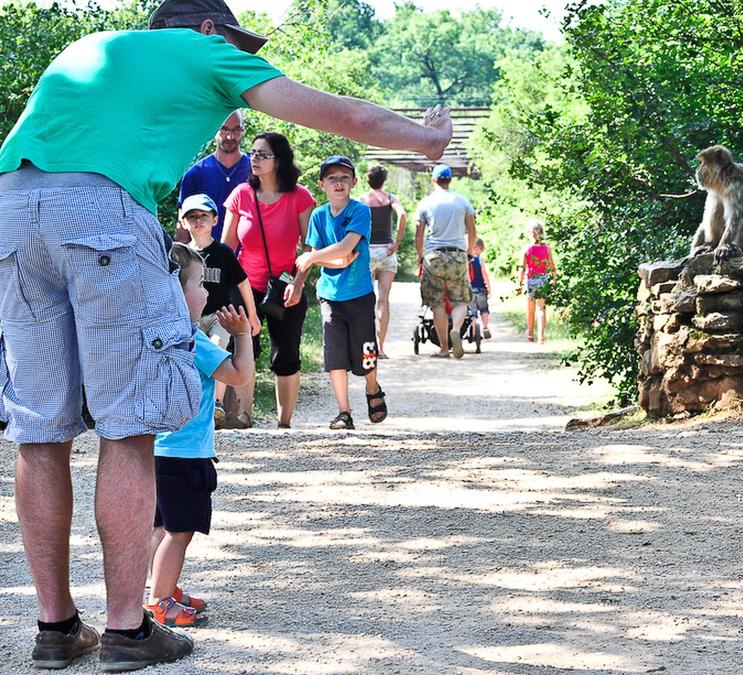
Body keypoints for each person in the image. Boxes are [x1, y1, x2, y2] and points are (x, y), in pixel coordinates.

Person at [0, 0, 451, 667]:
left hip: (10, 208)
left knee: (40, 430)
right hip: (100, 211)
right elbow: (344, 115)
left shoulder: (91, 47)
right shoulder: (204, 49)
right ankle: (126, 630)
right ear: (209, 28)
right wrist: (425, 139)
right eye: (239, 42)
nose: (241, 57)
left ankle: (56, 627)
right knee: (129, 425)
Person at [146, 244, 253, 628]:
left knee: (161, 527)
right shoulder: (193, 339)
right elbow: (240, 375)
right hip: (187, 453)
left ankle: (162, 588)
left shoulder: (155, 334)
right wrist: (242, 334)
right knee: (180, 533)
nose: (207, 293)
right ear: (178, 292)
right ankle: (160, 601)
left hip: (156, 450)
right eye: (200, 285)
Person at [221, 132, 314, 429]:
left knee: (286, 352)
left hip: (285, 286)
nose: (254, 159)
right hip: (244, 285)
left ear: (279, 160)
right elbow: (226, 248)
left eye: (263, 154)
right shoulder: (241, 194)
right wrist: (222, 288)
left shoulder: (300, 196)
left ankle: (284, 424)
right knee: (243, 347)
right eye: (253, 153)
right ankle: (243, 415)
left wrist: (298, 282)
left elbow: (309, 247)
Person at [298, 155, 386, 431]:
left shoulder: (360, 211)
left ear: (354, 182)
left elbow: (346, 247)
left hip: (359, 293)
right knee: (334, 354)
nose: (339, 183)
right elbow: (327, 255)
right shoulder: (318, 215)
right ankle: (344, 413)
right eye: (332, 178)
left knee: (366, 352)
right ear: (321, 184)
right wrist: (331, 259)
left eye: (344, 178)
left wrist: (314, 258)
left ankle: (372, 388)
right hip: (330, 296)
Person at [179, 193, 260, 426]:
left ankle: (216, 403)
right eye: (192, 217)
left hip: (220, 315)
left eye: (204, 215)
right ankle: (196, 402)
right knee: (193, 358)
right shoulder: (182, 255)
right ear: (183, 222)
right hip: (191, 318)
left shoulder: (223, 252)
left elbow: (243, 283)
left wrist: (252, 315)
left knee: (216, 349)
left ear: (215, 219)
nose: (198, 221)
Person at [414, 164, 477, 359]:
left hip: (434, 256)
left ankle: (443, 348)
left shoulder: (425, 203)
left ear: (433, 180)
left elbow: (419, 234)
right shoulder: (463, 201)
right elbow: (472, 231)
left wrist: (420, 254)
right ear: (450, 180)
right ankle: (456, 330)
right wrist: (469, 251)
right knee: (461, 300)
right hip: (457, 255)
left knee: (437, 304)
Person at [176, 110, 250, 243]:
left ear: (244, 129)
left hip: (247, 254)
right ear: (214, 129)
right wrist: (180, 254)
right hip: (205, 253)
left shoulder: (255, 171)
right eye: (224, 129)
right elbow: (183, 225)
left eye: (236, 130)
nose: (230, 136)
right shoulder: (195, 173)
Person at [358, 164, 406, 358]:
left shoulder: (361, 199)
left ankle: (366, 346)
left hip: (367, 251)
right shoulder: (390, 198)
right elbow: (402, 214)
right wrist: (397, 242)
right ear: (384, 180)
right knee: (384, 300)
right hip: (387, 251)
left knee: (365, 299)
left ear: (367, 180)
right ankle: (381, 348)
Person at [517, 219, 558, 344]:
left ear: (529, 233)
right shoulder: (547, 248)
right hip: (543, 280)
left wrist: (519, 283)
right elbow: (552, 265)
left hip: (531, 280)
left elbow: (522, 268)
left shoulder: (526, 249)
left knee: (530, 310)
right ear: (541, 233)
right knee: (541, 309)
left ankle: (530, 334)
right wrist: (555, 278)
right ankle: (541, 337)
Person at [469, 237, 493, 339]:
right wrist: (489, 287)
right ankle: (485, 327)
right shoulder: (480, 260)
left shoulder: (467, 260)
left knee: (472, 312)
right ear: (478, 248)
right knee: (484, 309)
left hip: (470, 290)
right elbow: (484, 274)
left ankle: (474, 332)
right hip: (481, 290)